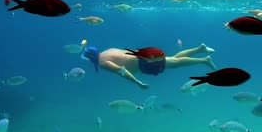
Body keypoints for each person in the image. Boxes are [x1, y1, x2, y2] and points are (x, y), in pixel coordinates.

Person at [81, 43, 216, 89]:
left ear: (91, 58)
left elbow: (121, 70)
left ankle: (204, 59)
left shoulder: (103, 63)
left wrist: (138, 83)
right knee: (173, 60)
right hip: (143, 54)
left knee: (176, 63)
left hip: (145, 62)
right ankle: (199, 49)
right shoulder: (107, 51)